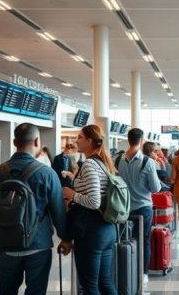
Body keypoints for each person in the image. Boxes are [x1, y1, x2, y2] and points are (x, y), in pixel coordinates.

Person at [0, 123, 72, 294]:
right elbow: (58, 210)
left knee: (6, 290)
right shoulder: (47, 174)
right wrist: (65, 238)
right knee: (36, 291)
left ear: (14, 141)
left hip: (7, 244)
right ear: (37, 141)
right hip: (38, 244)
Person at [61, 124, 118, 294]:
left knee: (90, 286)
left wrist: (71, 194)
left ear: (90, 141)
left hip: (91, 231)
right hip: (106, 229)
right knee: (105, 283)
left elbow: (94, 201)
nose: (75, 140)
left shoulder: (90, 165)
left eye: (79, 137)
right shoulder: (104, 164)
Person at [117, 128, 161, 285]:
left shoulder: (118, 160)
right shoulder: (147, 162)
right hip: (143, 208)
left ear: (128, 140)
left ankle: (124, 270)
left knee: (123, 240)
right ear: (142, 141)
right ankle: (143, 273)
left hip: (123, 208)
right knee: (144, 240)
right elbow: (156, 188)